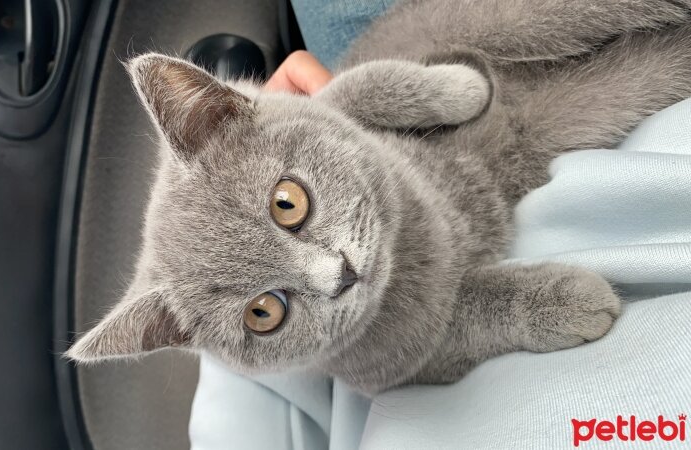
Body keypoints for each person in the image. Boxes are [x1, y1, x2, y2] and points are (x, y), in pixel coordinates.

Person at [190, 8, 691, 450]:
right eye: (265, 310)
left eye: (288, 208)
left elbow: (251, 402)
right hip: (613, 146)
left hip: (408, 60)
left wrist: (252, 148)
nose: (332, 275)